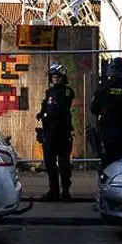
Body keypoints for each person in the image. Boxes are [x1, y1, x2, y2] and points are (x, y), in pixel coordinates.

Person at [35, 63, 76, 202]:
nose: (55, 79)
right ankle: (53, 191)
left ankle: (65, 192)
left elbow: (58, 109)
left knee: (64, 163)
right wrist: (41, 114)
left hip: (63, 132)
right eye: (53, 77)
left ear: (63, 78)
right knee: (49, 162)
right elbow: (46, 107)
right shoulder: (49, 92)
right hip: (50, 133)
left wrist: (46, 115)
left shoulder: (67, 92)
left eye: (58, 77)